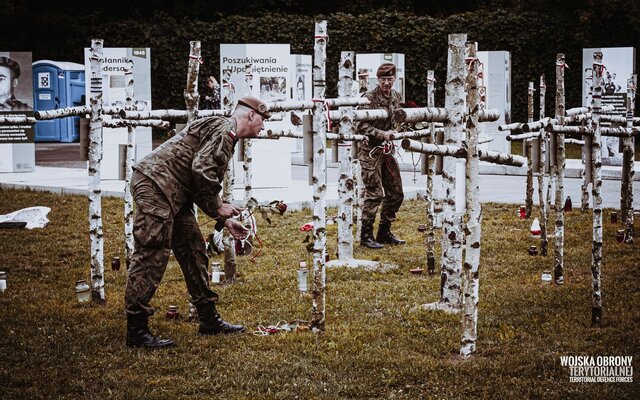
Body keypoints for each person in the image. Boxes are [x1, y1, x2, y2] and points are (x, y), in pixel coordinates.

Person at [125, 96, 270, 348]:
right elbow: (202, 170)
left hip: (174, 190)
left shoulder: (224, 130)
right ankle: (136, 330)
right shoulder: (226, 130)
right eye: (263, 120)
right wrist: (217, 206)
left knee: (193, 248)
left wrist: (222, 219)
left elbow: (198, 179)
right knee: (152, 252)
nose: (264, 126)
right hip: (156, 184)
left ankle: (208, 319)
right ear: (250, 116)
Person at [356, 62, 405, 249]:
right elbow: (361, 125)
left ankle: (384, 232)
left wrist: (396, 130)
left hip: (387, 151)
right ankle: (366, 235)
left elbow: (398, 118)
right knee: (374, 193)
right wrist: (381, 134)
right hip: (370, 151)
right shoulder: (369, 98)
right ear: (378, 80)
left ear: (394, 79)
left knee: (396, 193)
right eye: (383, 79)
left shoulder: (395, 96)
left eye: (389, 79)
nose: (386, 83)